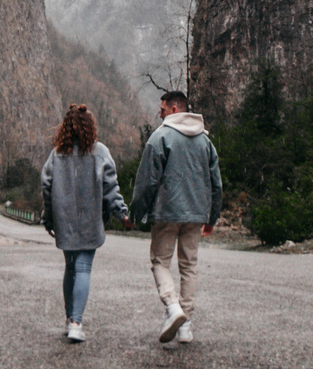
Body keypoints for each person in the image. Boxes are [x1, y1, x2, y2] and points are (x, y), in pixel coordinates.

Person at [128, 88, 223, 345]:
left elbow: (146, 182)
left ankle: (172, 307)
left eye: (161, 110)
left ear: (173, 109)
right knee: (189, 266)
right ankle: (186, 326)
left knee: (160, 261)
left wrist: (136, 212)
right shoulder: (206, 141)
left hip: (166, 211)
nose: (159, 116)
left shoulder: (160, 138)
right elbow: (216, 184)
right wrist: (211, 217)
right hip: (195, 214)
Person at [39, 103, 128, 343]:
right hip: (90, 220)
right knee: (83, 269)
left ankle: (70, 319)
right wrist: (122, 214)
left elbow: (46, 187)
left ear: (65, 127)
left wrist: (48, 218)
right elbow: (111, 188)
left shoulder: (57, 154)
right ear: (91, 127)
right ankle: (76, 323)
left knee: (70, 267)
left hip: (64, 220)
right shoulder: (100, 152)